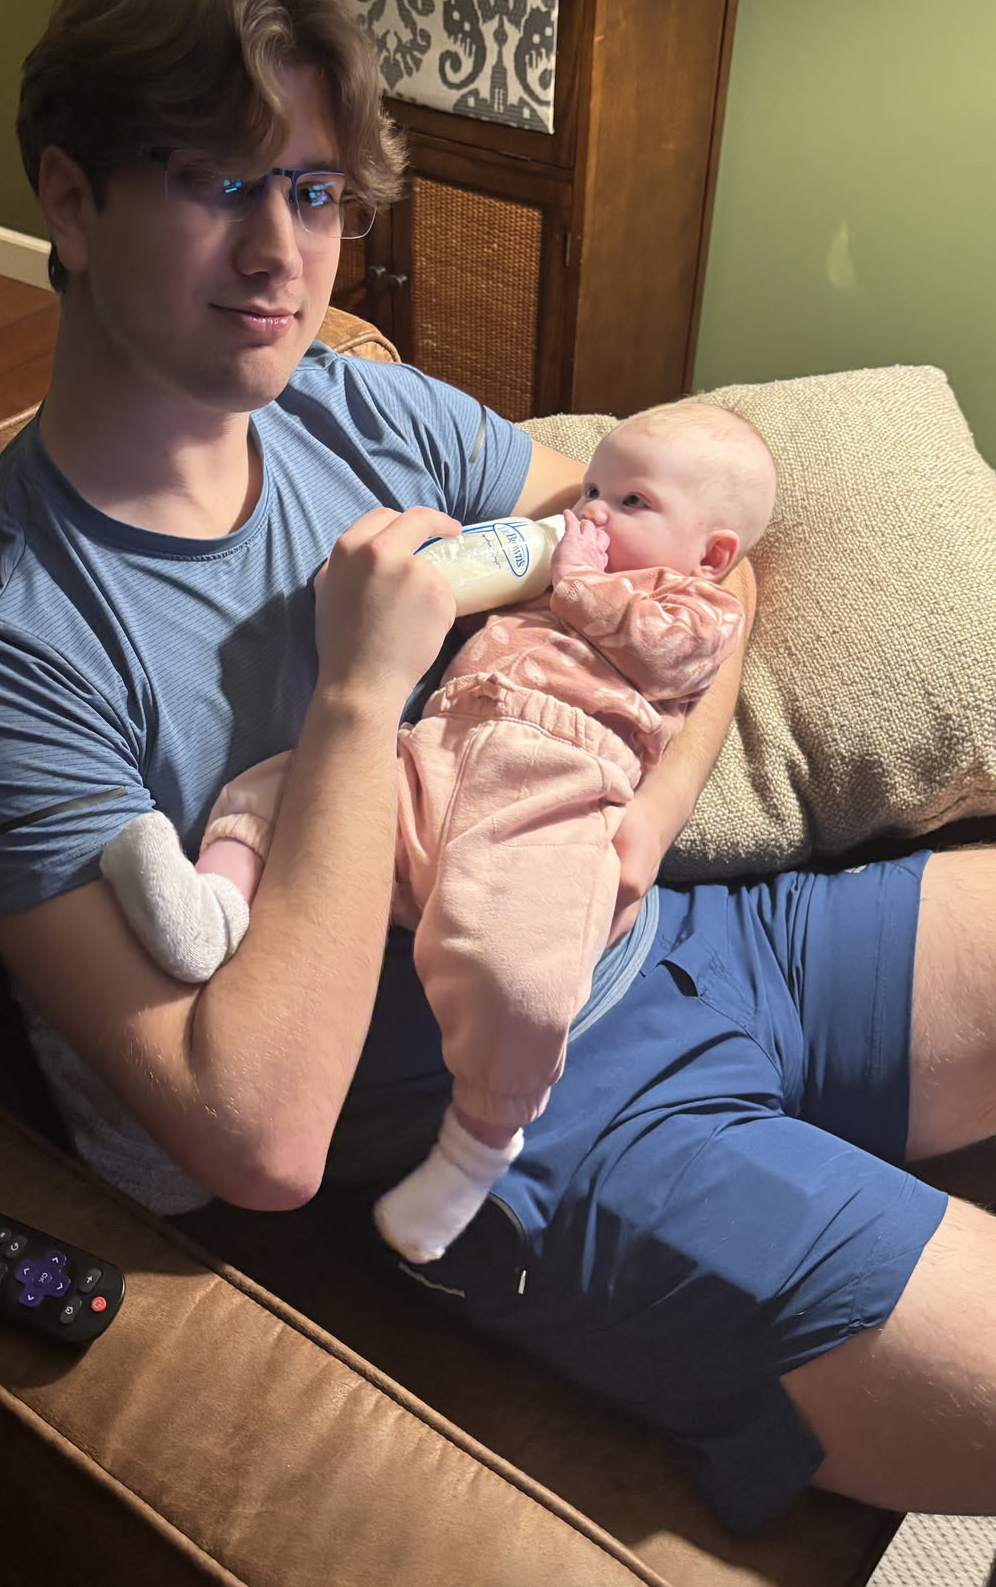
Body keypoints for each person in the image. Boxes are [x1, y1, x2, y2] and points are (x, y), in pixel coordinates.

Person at [0, 0, 996, 1582]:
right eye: (215, 182)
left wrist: (645, 826)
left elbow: (701, 570)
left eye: (316, 193)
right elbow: (254, 1136)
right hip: (522, 1130)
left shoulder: (357, 409)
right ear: (69, 202)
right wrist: (356, 702)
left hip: (705, 943)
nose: (282, 253)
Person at [97, 400, 776, 1264]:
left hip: (551, 785)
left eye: (630, 503)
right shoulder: (575, 551)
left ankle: (479, 1144)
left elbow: (665, 653)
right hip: (439, 745)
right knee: (283, 788)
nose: (592, 511)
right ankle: (214, 903)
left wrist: (579, 584)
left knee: (520, 971)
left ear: (712, 556)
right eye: (592, 489)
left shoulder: (689, 604)